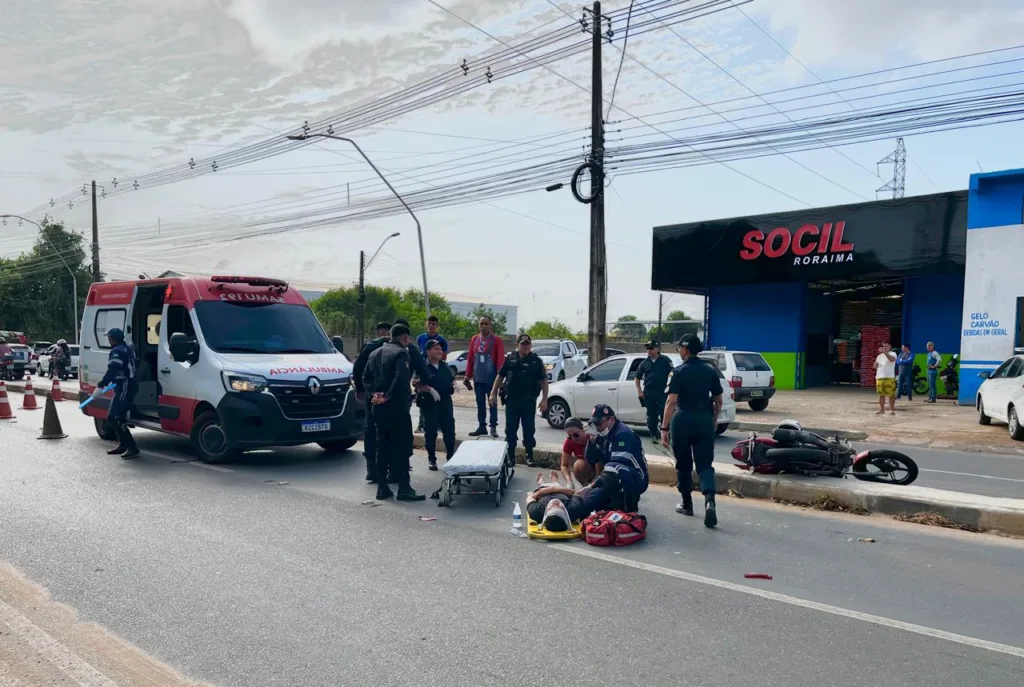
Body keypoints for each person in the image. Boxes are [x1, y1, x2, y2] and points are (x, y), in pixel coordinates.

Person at [661, 334, 722, 528]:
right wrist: (713, 421)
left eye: (680, 348)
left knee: (684, 464)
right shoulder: (710, 370)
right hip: (704, 421)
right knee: (705, 465)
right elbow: (719, 400)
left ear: (685, 349)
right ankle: (709, 501)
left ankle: (687, 503)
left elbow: (671, 402)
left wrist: (664, 427)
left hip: (682, 421)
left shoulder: (678, 372)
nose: (679, 351)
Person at [361, 323, 425, 501]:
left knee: (382, 447)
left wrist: (375, 394)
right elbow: (401, 378)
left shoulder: (374, 353)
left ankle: (382, 488)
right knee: (402, 447)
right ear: (405, 338)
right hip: (396, 407)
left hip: (378, 407)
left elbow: (364, 377)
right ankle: (404, 488)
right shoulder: (401, 353)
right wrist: (388, 396)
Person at [491, 333, 548, 467]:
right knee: (510, 430)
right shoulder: (510, 358)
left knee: (529, 429)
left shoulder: (536, 361)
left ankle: (529, 455)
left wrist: (545, 399)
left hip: (529, 401)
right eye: (523, 344)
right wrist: (492, 393)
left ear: (531, 345)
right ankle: (510, 456)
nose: (525, 346)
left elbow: (544, 381)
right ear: (518, 345)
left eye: (528, 344)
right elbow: (500, 376)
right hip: (512, 401)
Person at [583, 405, 649, 511]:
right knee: (588, 503)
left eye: (599, 423)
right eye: (594, 424)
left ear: (611, 419)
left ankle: (626, 504)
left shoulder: (623, 435)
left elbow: (614, 468)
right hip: (612, 477)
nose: (597, 427)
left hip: (635, 477)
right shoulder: (601, 433)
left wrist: (592, 486)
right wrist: (591, 441)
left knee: (609, 471)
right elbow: (591, 459)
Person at [352, 321, 391, 483]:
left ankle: (371, 469)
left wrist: (360, 390)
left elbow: (358, 369)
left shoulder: (369, 347)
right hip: (387, 395)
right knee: (385, 429)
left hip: (371, 394)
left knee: (370, 428)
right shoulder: (392, 347)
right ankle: (385, 467)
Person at [92, 327, 140, 459]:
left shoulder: (117, 351)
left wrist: (101, 385)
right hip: (127, 384)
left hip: (125, 385)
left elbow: (113, 369)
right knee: (120, 417)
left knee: (114, 416)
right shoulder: (128, 348)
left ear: (113, 339)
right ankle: (123, 445)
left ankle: (132, 447)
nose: (109, 340)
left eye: (109, 338)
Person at [418, 339, 456, 470]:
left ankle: (451, 458)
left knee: (449, 432)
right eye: (436, 349)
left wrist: (454, 385)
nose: (439, 351)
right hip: (429, 403)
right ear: (428, 352)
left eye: (440, 349)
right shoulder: (423, 366)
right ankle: (432, 459)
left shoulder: (445, 366)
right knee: (431, 432)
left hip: (445, 402)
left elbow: (451, 380)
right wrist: (429, 389)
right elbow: (415, 383)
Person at [464, 315, 504, 438]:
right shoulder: (475, 339)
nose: (483, 326)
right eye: (481, 324)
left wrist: (500, 377)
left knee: (492, 402)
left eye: (486, 324)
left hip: (491, 378)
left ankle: (493, 427)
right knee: (480, 403)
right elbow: (471, 357)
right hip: (478, 378)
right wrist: (467, 375)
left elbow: (500, 359)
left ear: (490, 325)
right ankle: (482, 426)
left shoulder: (496, 340)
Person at [634, 340, 673, 443]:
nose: (649, 351)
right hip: (649, 392)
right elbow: (637, 378)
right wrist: (639, 391)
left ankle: (666, 433)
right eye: (647, 348)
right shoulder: (644, 363)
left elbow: (672, 374)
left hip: (662, 391)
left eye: (651, 348)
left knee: (663, 412)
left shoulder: (665, 360)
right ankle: (653, 433)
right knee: (651, 414)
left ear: (657, 349)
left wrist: (671, 388)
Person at [415, 315, 448, 433]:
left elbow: (443, 356)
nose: (431, 326)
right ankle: (421, 424)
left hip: (435, 368)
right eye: (429, 323)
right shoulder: (420, 338)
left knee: (436, 395)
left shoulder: (442, 340)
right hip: (423, 368)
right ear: (426, 324)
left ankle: (438, 423)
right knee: (422, 395)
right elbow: (419, 353)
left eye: (433, 324)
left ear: (437, 326)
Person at [559, 418, 593, 487]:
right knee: (578, 465)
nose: (573, 439)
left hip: (600, 467)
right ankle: (585, 485)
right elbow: (564, 465)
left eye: (576, 435)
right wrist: (569, 482)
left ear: (583, 430)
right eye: (570, 436)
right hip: (587, 467)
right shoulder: (569, 441)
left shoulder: (592, 437)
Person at [874, 343, 897, 415]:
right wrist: (876, 364)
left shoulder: (893, 353)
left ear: (890, 347)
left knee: (891, 394)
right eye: (883, 346)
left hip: (889, 377)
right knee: (881, 394)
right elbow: (875, 365)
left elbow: (892, 360)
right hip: (880, 377)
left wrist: (884, 352)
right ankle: (882, 409)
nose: (884, 348)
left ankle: (892, 410)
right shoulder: (879, 356)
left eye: (886, 346)